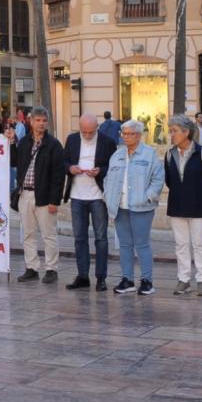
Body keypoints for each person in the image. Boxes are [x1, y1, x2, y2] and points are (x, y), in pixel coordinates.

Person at [164, 114, 202, 296]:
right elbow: (169, 180)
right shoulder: (169, 154)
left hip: (199, 206)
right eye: (170, 131)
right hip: (177, 206)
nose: (171, 134)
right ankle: (184, 279)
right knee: (181, 244)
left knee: (199, 244)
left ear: (186, 132)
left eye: (174, 131)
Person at [105, 119, 164, 296]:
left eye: (130, 134)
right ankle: (127, 279)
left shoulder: (149, 154)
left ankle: (147, 281)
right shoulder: (117, 155)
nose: (126, 137)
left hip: (141, 207)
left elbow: (158, 179)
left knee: (142, 244)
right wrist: (108, 197)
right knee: (124, 245)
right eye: (124, 134)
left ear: (138, 135)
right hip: (120, 207)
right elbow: (108, 178)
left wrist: (148, 197)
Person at [7, 106, 64, 283]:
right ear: (31, 122)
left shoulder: (53, 145)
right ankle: (31, 267)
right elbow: (14, 162)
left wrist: (54, 200)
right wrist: (11, 142)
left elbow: (58, 175)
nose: (41, 124)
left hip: (44, 196)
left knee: (49, 234)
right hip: (25, 194)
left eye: (44, 121)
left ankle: (51, 269)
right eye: (38, 120)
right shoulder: (25, 142)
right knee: (28, 234)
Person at [63, 113, 113, 291]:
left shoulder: (107, 141)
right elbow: (64, 161)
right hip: (77, 195)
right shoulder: (72, 139)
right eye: (84, 132)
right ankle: (83, 276)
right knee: (79, 238)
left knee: (101, 238)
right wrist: (70, 168)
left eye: (91, 132)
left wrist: (100, 171)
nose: (87, 135)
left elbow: (112, 166)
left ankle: (101, 278)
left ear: (97, 127)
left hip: (98, 195)